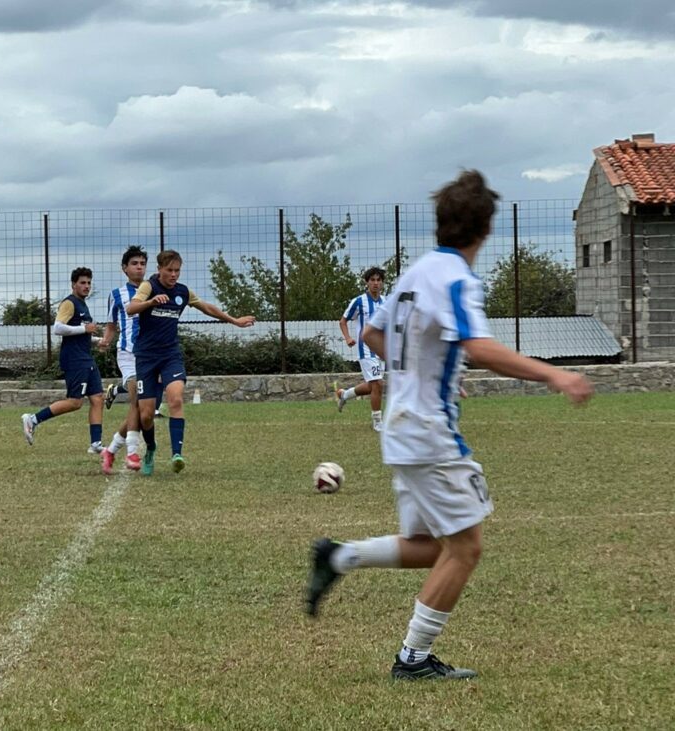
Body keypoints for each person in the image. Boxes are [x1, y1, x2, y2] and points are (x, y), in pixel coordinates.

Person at [305, 170, 593, 680]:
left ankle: (340, 557)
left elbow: (371, 333)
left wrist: (421, 370)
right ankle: (413, 660)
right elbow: (477, 346)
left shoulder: (415, 273)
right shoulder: (458, 278)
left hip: (400, 426)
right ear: (484, 229)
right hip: (429, 431)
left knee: (435, 547)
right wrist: (555, 374)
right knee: (466, 547)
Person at [125, 249, 255, 475]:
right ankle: (151, 448)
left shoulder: (182, 292)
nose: (174, 275)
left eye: (177, 270)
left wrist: (234, 320)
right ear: (160, 270)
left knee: (175, 398)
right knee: (146, 415)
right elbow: (131, 308)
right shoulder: (149, 286)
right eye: (169, 270)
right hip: (146, 357)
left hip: (170, 356)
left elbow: (206, 307)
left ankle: (177, 454)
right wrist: (151, 302)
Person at [22, 268, 104, 453]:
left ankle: (96, 444)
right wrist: (85, 329)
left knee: (98, 398)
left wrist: (98, 341)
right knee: (75, 402)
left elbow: (79, 334)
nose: (86, 286)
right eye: (82, 283)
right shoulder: (69, 303)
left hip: (86, 358)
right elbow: (58, 328)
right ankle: (33, 419)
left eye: (89, 283)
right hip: (75, 360)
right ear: (73, 284)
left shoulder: (83, 304)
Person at [99, 246, 148, 474]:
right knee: (136, 400)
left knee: (144, 406)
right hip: (128, 353)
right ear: (125, 268)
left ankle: (110, 450)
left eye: (142, 263)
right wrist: (105, 341)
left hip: (150, 354)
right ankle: (131, 452)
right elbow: (111, 325)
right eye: (135, 263)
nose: (139, 267)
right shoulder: (117, 294)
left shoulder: (152, 290)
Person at [336, 267, 386, 432]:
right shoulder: (359, 301)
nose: (376, 283)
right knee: (378, 384)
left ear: (382, 283)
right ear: (367, 282)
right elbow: (343, 321)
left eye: (379, 280)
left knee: (373, 386)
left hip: (381, 351)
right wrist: (348, 338)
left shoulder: (386, 303)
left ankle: (344, 395)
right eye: (372, 280)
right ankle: (377, 421)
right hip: (366, 349)